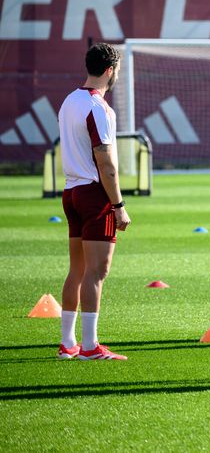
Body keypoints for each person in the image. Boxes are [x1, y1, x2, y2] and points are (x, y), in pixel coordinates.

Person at [56, 43, 132, 361]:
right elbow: (106, 162)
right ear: (110, 71)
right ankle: (89, 346)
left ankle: (67, 342)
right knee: (96, 273)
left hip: (71, 191)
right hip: (92, 194)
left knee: (77, 270)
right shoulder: (98, 107)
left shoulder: (69, 100)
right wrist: (119, 206)